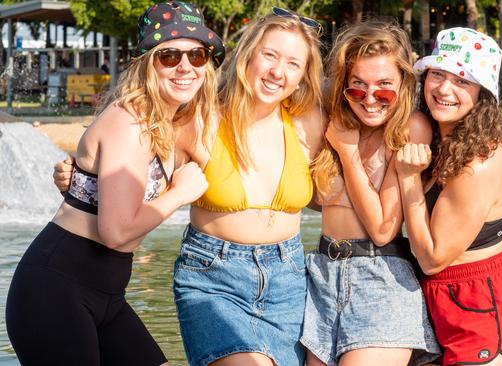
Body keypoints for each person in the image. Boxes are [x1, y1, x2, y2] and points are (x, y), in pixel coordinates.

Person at [6, 2, 224, 365]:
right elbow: (116, 232)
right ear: (146, 63)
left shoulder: (171, 121)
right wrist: (178, 194)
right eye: (169, 56)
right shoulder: (129, 121)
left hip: (106, 293)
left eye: (197, 55)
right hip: (55, 291)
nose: (185, 66)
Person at [171, 8, 325, 366]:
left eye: (292, 63)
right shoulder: (200, 118)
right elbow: (141, 165)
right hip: (213, 278)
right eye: (270, 56)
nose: (277, 72)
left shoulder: (310, 123)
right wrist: (82, 175)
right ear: (249, 55)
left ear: (303, 75)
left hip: (288, 281)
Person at [303, 21, 439, 366]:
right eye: (357, 86)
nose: (370, 98)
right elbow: (314, 201)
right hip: (321, 275)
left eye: (384, 88)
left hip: (380, 278)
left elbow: (382, 229)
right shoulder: (333, 121)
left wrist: (348, 154)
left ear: (403, 84)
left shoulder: (411, 128)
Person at [400, 27, 502, 365]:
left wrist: (409, 177)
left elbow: (432, 258)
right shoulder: (442, 142)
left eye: (462, 81)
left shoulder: (479, 163)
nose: (444, 89)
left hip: (481, 309)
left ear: (482, 94)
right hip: (439, 303)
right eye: (438, 74)